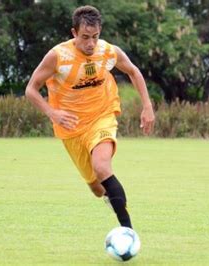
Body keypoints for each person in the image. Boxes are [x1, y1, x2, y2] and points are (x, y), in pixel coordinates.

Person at [25, 5, 155, 229]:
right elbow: (31, 89)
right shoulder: (58, 56)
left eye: (95, 37)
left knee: (102, 167)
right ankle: (112, 197)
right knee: (96, 188)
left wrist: (147, 106)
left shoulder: (108, 51)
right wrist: (52, 112)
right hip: (71, 128)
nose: (91, 43)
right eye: (85, 37)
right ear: (74, 33)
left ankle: (128, 231)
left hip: (102, 116)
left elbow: (133, 71)